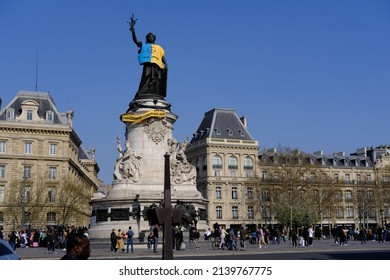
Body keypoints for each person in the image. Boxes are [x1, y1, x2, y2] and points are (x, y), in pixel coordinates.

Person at [129, 14, 168, 102]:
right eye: (149, 37)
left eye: (152, 37)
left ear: (154, 38)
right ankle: (143, 91)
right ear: (147, 38)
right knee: (146, 76)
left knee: (157, 79)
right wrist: (133, 32)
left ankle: (154, 91)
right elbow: (136, 41)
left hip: (157, 65)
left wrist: (166, 64)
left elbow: (162, 56)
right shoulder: (144, 45)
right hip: (148, 64)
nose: (150, 37)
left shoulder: (159, 47)